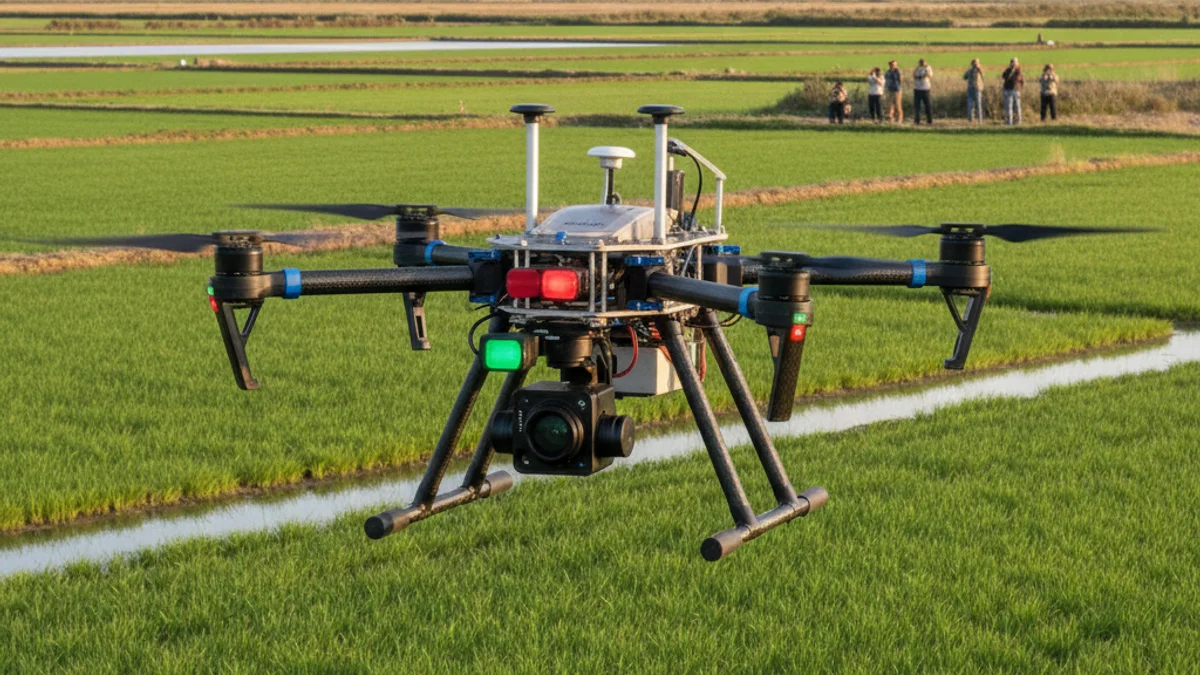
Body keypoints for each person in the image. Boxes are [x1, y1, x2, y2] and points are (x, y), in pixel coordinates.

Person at [1001, 57, 1024, 125]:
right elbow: (1004, 76)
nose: (1013, 64)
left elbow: (1017, 79)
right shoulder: (1008, 70)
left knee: (1017, 107)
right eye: (1012, 62)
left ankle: (1019, 121)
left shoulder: (1019, 71)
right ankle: (1009, 122)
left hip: (1015, 90)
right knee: (1008, 107)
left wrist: (1020, 88)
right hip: (1007, 90)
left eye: (1015, 62)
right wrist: (1010, 70)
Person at [962, 58, 984, 125]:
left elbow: (964, 77)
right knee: (973, 105)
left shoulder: (978, 70)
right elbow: (964, 77)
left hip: (976, 89)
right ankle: (974, 120)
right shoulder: (970, 71)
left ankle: (978, 121)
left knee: (975, 105)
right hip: (974, 89)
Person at [912, 58, 933, 125]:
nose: (922, 64)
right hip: (917, 88)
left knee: (927, 105)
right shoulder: (917, 68)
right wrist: (918, 75)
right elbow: (914, 75)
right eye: (920, 62)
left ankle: (929, 120)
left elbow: (930, 75)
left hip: (925, 88)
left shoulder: (928, 68)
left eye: (923, 62)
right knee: (917, 106)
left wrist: (925, 70)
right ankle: (917, 120)